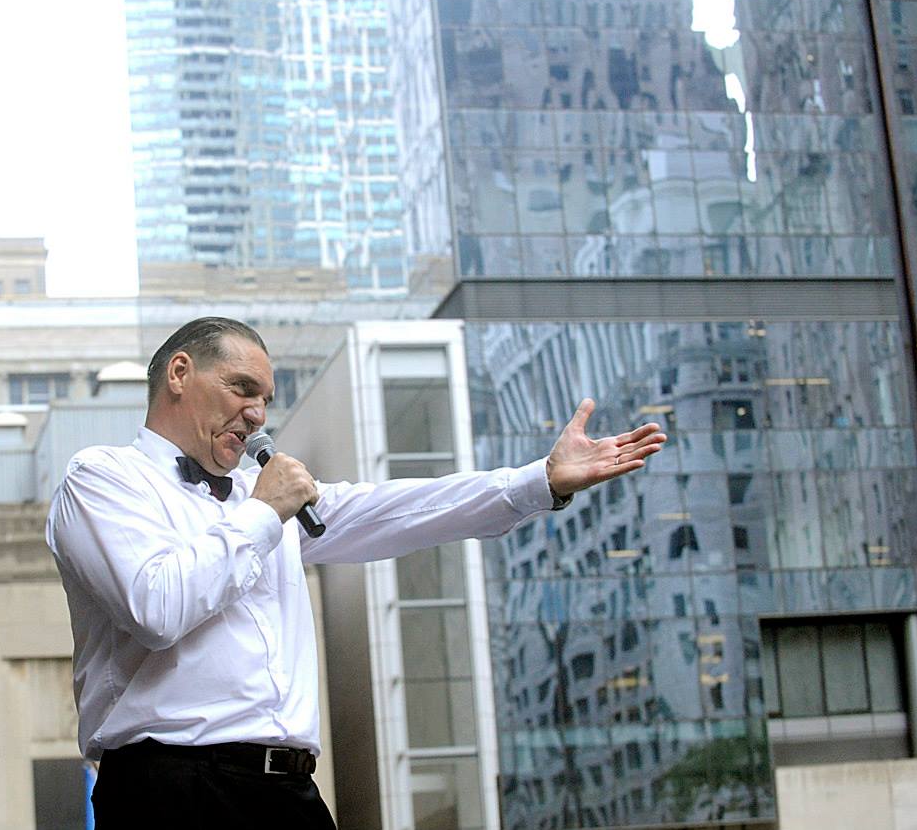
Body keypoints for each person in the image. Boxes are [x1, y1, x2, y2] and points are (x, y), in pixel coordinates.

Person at [47, 317, 666, 828]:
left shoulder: (264, 496)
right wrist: (264, 513)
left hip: (289, 792)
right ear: (180, 373)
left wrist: (541, 481)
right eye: (242, 388)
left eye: (265, 400)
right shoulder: (102, 477)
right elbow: (156, 609)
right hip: (168, 792)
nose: (257, 414)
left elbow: (400, 510)